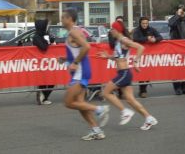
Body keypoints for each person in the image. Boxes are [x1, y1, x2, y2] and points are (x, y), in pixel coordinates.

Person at [59, 8, 109, 141]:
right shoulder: (73, 32)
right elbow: (77, 50)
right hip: (79, 71)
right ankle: (96, 131)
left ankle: (100, 109)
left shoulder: (74, 32)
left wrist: (75, 62)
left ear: (70, 19)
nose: (61, 20)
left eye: (63, 17)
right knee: (80, 104)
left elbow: (86, 47)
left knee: (68, 102)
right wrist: (66, 58)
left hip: (80, 73)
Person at [99, 21, 158, 130]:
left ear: (117, 30)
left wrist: (135, 62)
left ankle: (125, 112)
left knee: (106, 92)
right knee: (130, 100)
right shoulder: (118, 41)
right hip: (125, 73)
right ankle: (149, 118)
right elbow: (119, 57)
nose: (111, 31)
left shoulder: (124, 40)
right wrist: (107, 56)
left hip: (124, 73)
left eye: (112, 29)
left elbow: (141, 47)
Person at [132, 16, 163, 98]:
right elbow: (135, 39)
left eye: (146, 23)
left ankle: (144, 89)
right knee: (141, 72)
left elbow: (160, 37)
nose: (145, 25)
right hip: (139, 54)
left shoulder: (152, 29)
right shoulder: (137, 30)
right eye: (143, 23)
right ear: (140, 23)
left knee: (148, 71)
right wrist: (146, 38)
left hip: (149, 54)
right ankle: (142, 90)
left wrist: (155, 40)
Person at [168, 5, 185, 95]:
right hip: (175, 48)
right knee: (176, 69)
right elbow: (171, 24)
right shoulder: (173, 20)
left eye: (183, 11)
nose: (182, 12)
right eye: (180, 11)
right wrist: (177, 15)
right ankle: (177, 88)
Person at [32, 19, 55, 105]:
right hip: (40, 63)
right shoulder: (36, 36)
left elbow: (51, 44)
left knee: (51, 81)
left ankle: (44, 96)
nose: (46, 28)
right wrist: (47, 41)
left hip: (48, 62)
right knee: (43, 81)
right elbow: (43, 47)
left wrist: (51, 40)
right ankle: (43, 97)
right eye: (45, 26)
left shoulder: (44, 34)